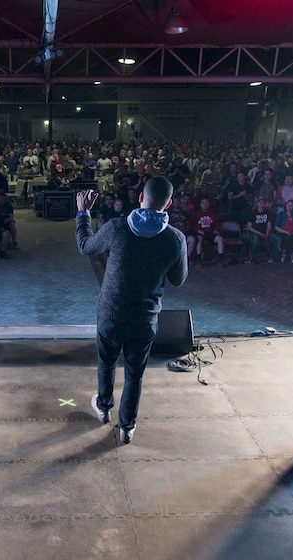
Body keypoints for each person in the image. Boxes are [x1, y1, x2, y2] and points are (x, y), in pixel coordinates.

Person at [75, 176, 188, 445]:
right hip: (145, 318)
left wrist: (83, 213)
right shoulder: (175, 239)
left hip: (111, 313)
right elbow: (178, 279)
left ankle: (103, 407)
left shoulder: (116, 228)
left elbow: (85, 246)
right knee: (134, 374)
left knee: (107, 362)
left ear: (140, 198)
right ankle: (126, 426)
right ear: (168, 204)